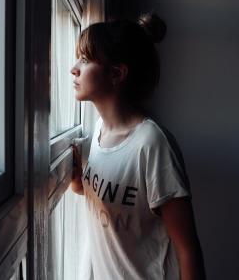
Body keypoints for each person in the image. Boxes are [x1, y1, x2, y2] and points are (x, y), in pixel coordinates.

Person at [70, 14, 205, 280]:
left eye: (85, 60)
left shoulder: (152, 144)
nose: (74, 68)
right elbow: (121, 201)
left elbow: (187, 249)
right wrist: (78, 183)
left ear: (117, 74)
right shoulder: (98, 131)